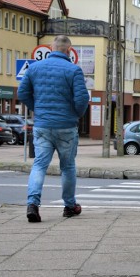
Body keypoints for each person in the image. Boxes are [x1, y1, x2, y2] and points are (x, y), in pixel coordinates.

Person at [17, 35, 89, 222]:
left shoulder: (34, 68)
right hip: (66, 126)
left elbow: (22, 93)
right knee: (67, 167)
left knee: (39, 165)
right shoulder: (74, 70)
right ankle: (69, 206)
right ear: (69, 50)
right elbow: (82, 100)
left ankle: (33, 204)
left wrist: (37, 108)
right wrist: (75, 115)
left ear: (51, 48)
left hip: (42, 125)